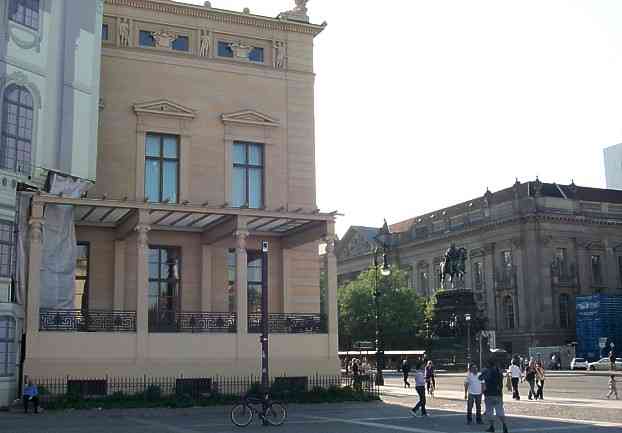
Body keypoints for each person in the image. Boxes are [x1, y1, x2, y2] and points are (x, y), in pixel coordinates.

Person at [482, 358, 509, 433]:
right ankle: (504, 425)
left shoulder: (487, 371)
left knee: (489, 412)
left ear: (488, 364)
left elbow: (480, 378)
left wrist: (483, 372)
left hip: (489, 394)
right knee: (500, 411)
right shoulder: (499, 372)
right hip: (498, 394)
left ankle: (492, 427)